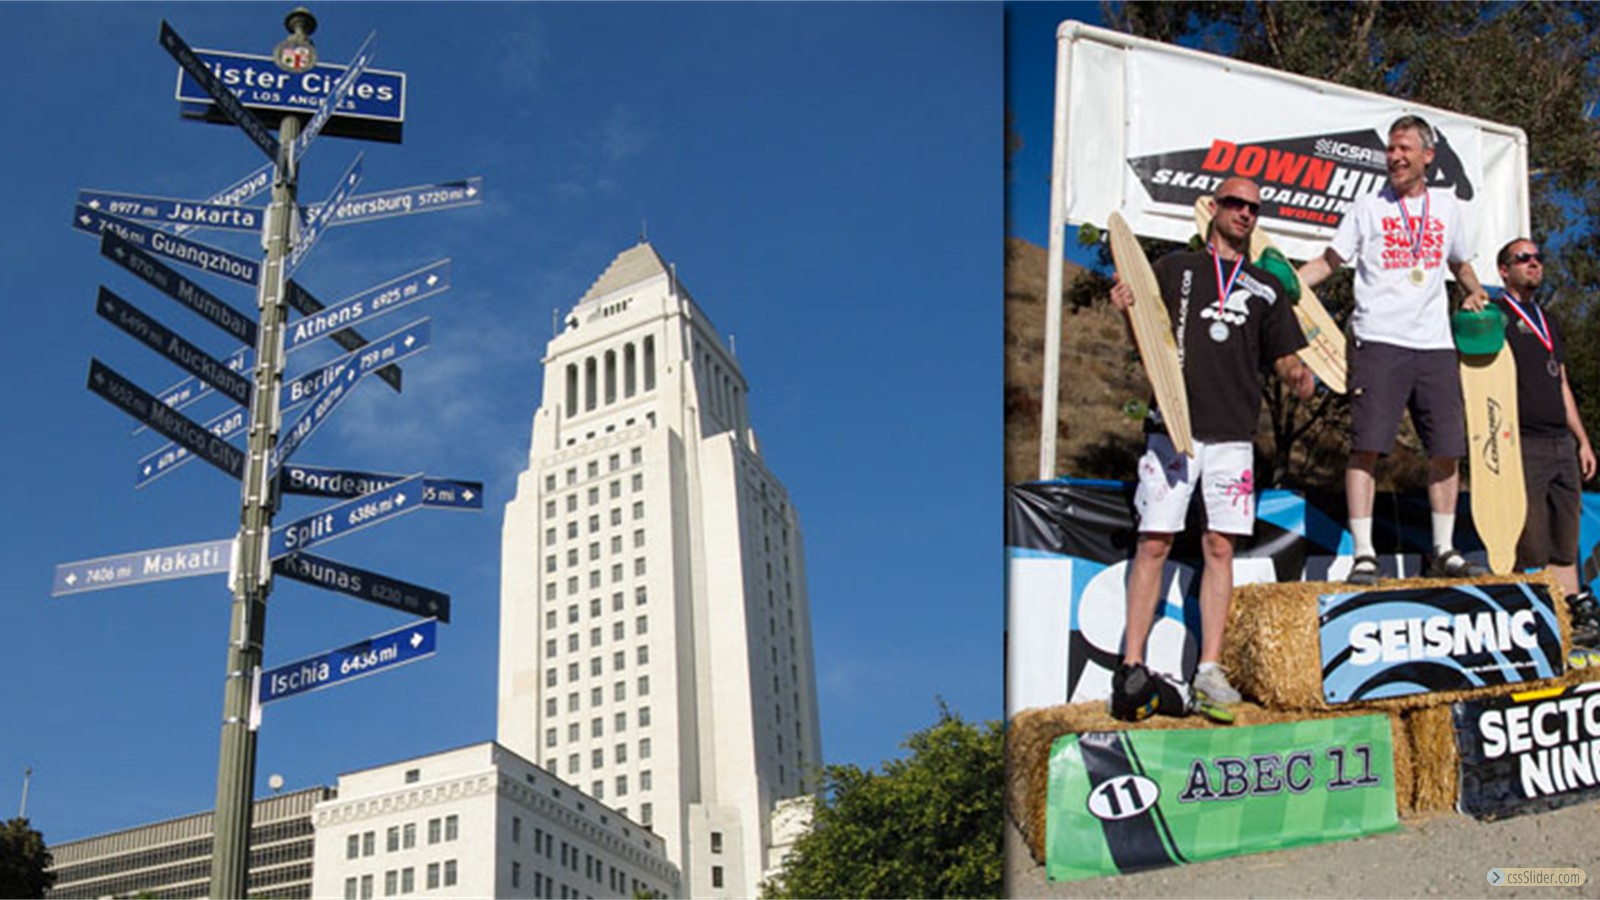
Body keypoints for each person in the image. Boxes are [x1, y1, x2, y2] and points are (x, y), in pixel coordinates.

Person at [1107, 176, 1315, 718]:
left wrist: (1303, 376)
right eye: (1235, 204)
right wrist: (1127, 309)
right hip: (1173, 428)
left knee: (1220, 548)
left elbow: (1287, 358)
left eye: (1253, 208)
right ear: (1214, 210)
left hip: (1233, 437)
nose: (1244, 213)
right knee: (1154, 541)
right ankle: (1131, 665)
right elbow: (1148, 342)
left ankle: (1209, 668)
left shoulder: (1266, 288)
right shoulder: (1176, 269)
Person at [1297, 115, 1491, 585]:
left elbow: (1460, 263)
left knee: (1446, 448)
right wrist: (1284, 286)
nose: (1395, 156)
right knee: (1367, 445)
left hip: (1435, 344)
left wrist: (1474, 290)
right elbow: (1330, 260)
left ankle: (1443, 548)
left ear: (1428, 155)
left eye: (1404, 148)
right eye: (1390, 149)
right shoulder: (1367, 206)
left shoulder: (1447, 207)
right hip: (1378, 340)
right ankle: (1364, 553)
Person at [1493, 238, 1600, 646]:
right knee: (1529, 539)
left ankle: (1576, 621)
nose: (1534, 263)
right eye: (1524, 258)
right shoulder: (1495, 315)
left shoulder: (1549, 319)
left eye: (1538, 257)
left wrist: (1583, 440)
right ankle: (1531, 623)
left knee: (1565, 540)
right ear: (1504, 270)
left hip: (1561, 443)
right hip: (1522, 442)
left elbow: (1562, 382)